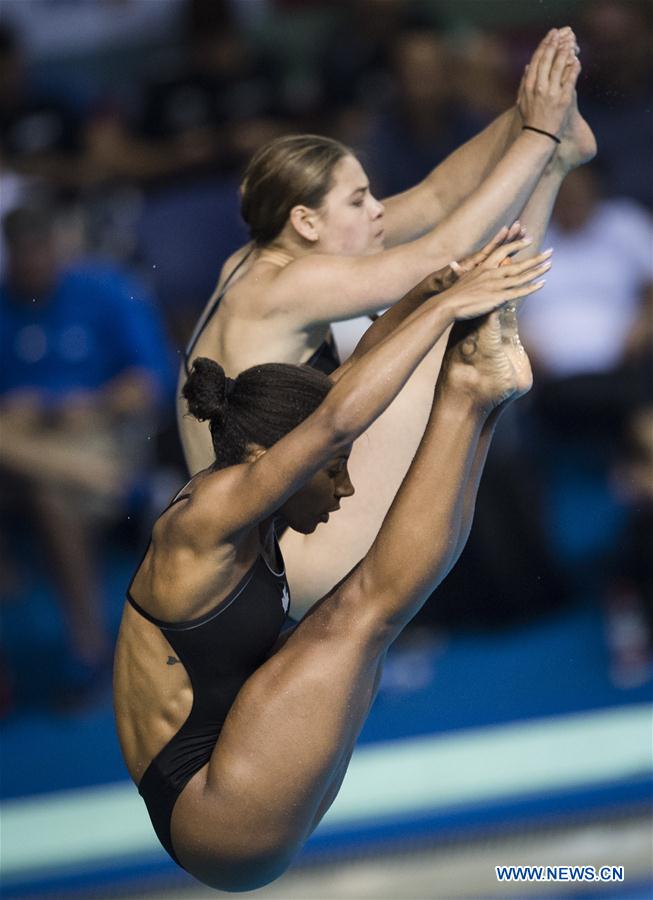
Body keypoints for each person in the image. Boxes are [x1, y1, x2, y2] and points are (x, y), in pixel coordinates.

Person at [114, 231, 551, 890]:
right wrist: (448, 308)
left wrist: (432, 294)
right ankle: (467, 389)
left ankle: (476, 399)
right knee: (359, 611)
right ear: (268, 461)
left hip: (242, 777)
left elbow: (345, 385)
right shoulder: (202, 521)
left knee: (363, 620)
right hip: (214, 818)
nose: (345, 490)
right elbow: (335, 424)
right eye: (333, 473)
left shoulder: (252, 480)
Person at [177, 27, 595, 614]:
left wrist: (529, 110)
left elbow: (432, 199)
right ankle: (554, 170)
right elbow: (439, 248)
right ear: (306, 220)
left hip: (253, 539)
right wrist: (540, 136)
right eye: (359, 201)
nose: (378, 213)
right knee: (458, 337)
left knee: (440, 323)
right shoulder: (289, 284)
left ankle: (556, 163)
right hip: (280, 560)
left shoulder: (258, 258)